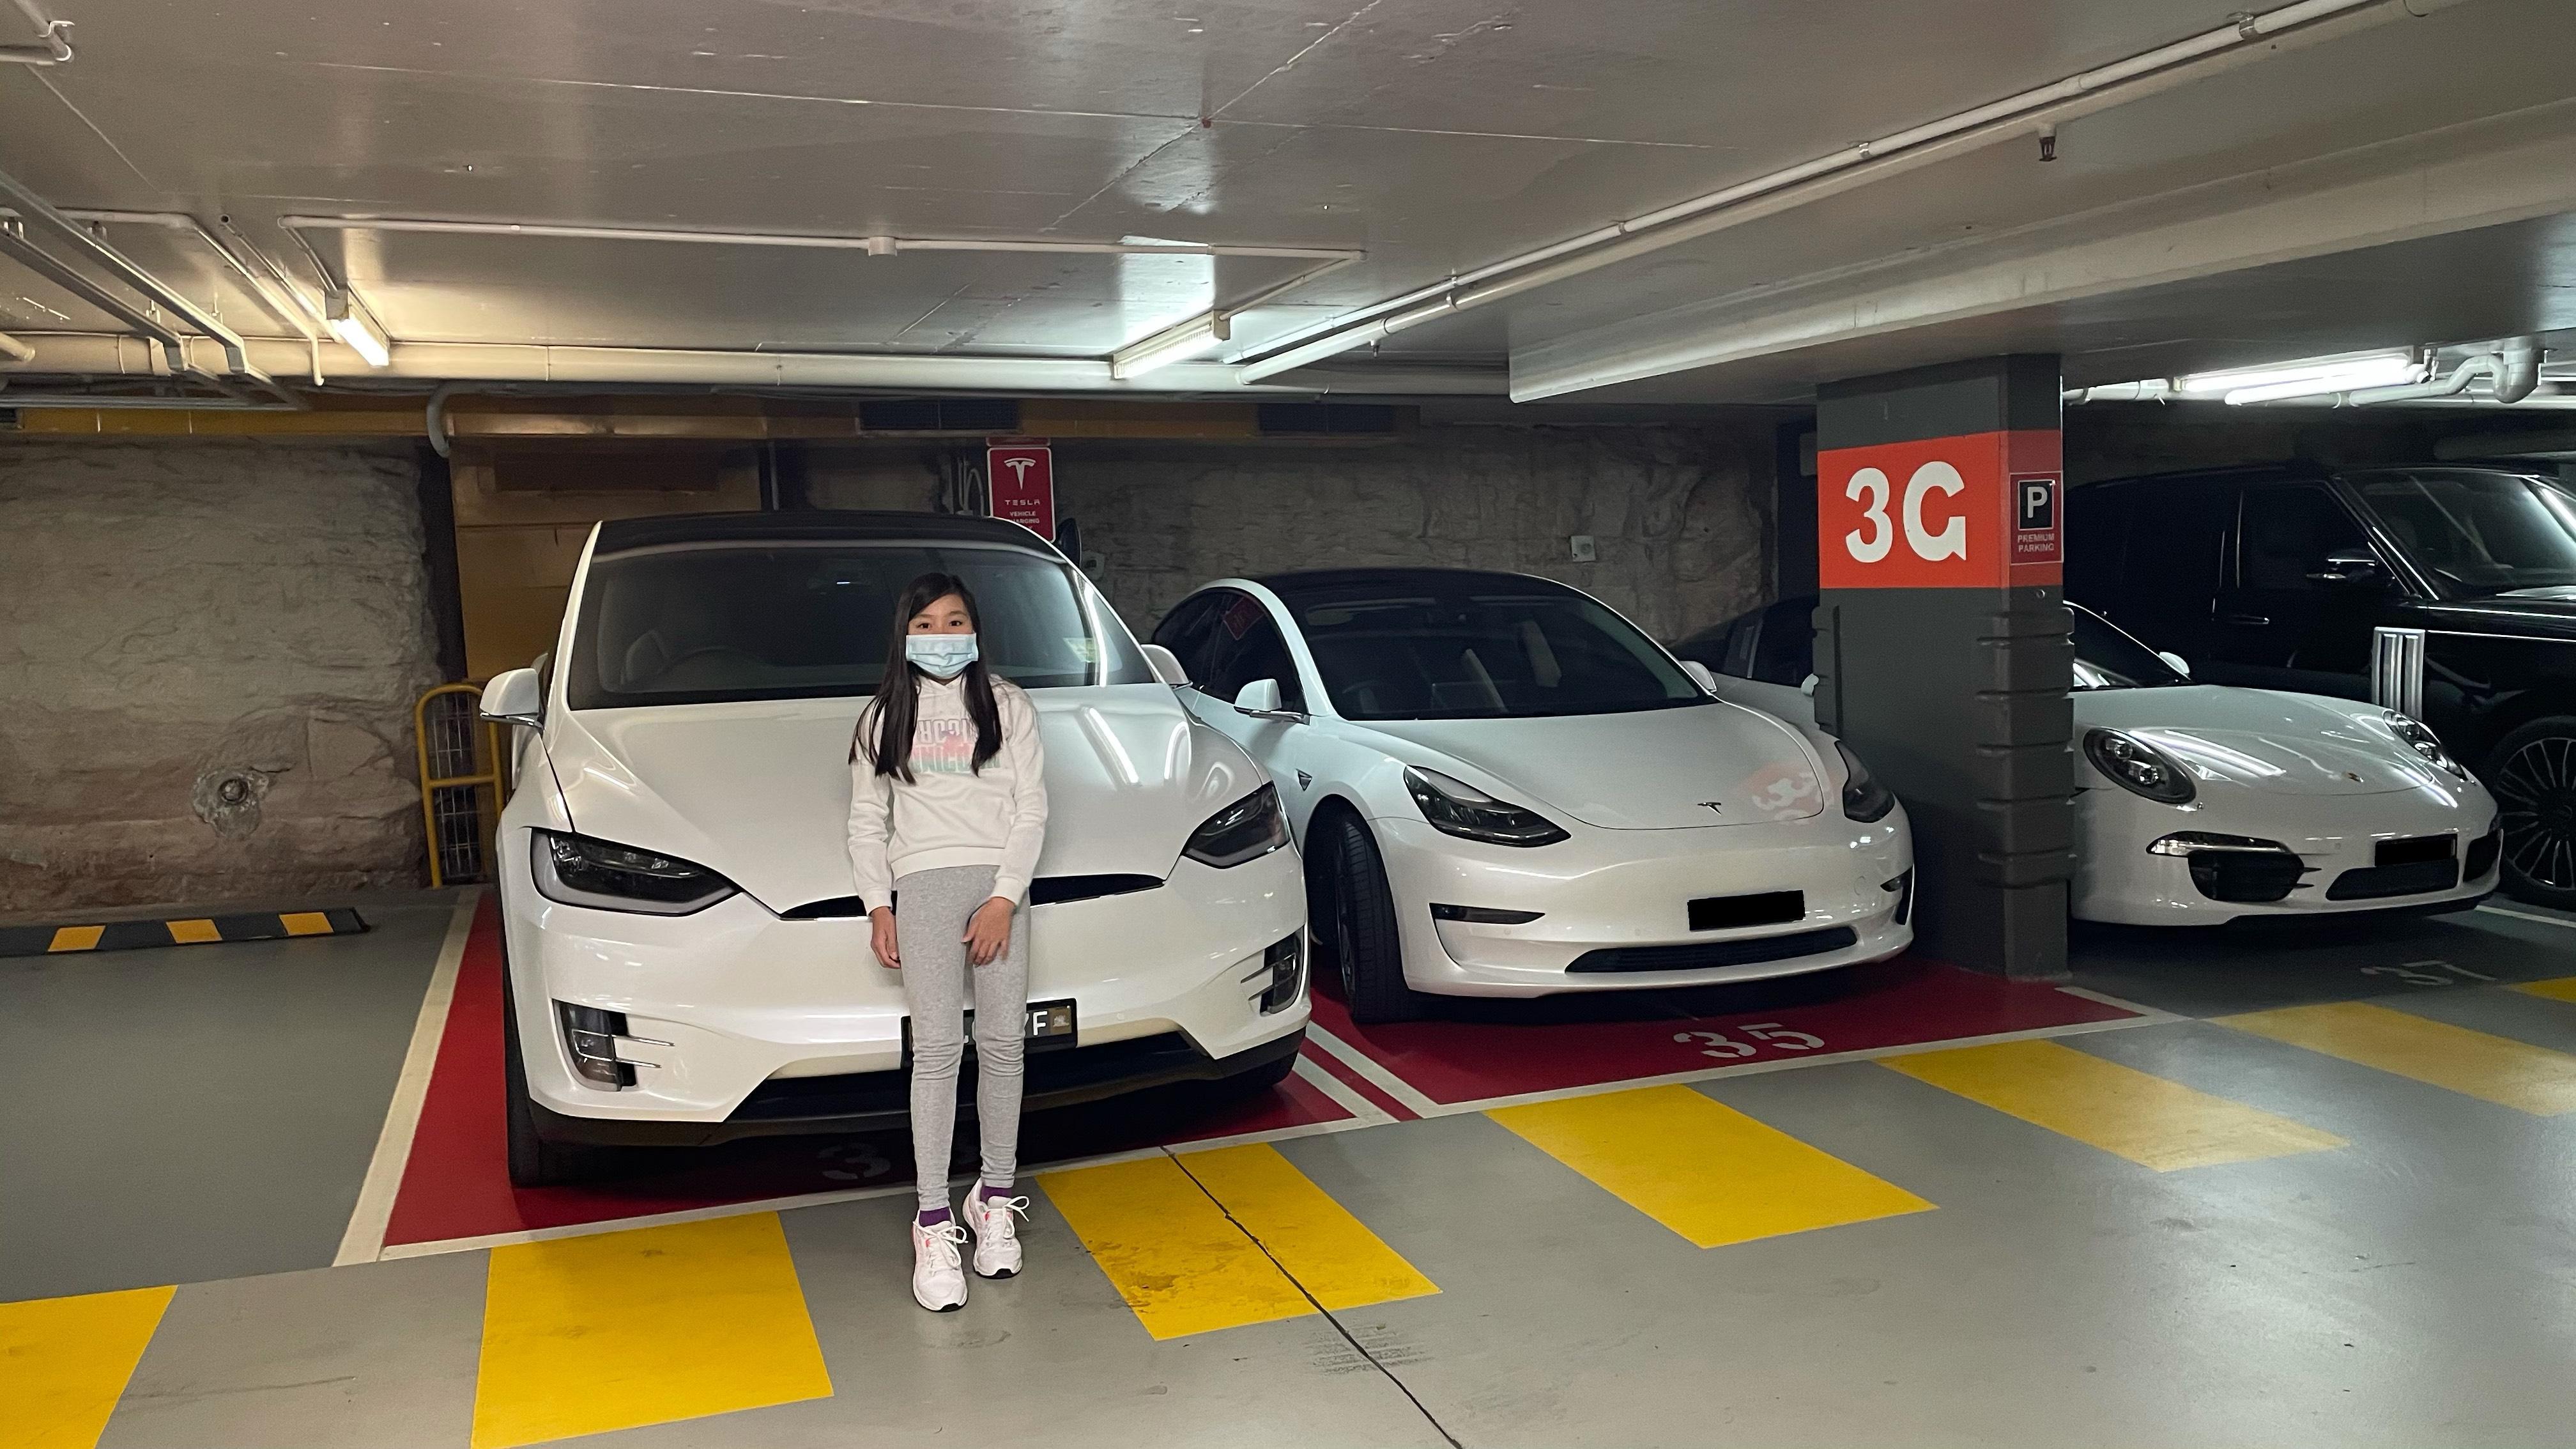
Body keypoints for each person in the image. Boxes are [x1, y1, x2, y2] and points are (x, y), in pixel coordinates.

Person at [847, 572, 1048, 1312]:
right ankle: (933, 1220)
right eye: (926, 625)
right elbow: (866, 822)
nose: (941, 637)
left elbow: (1032, 810)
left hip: (1000, 888)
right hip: (923, 889)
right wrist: (878, 905)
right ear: (905, 635)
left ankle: (994, 1201)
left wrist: (1004, 897)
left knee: (1002, 1045)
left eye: (954, 621)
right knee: (936, 1052)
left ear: (975, 629)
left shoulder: (1009, 705)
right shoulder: (881, 719)